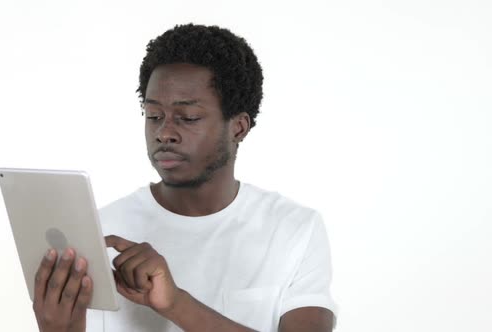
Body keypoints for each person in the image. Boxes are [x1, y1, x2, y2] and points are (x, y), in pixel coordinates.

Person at [32, 24, 337, 332]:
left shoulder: (294, 229)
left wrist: (176, 304)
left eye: (187, 118)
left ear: (239, 127)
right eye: (153, 116)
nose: (164, 133)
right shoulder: (101, 232)